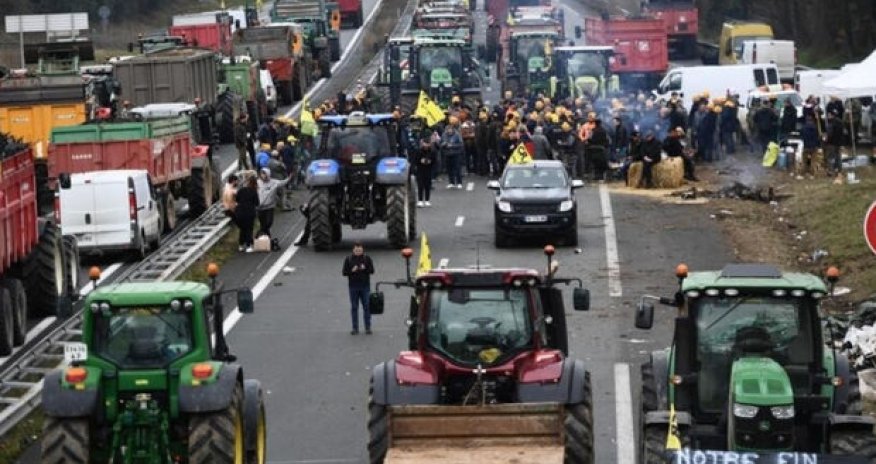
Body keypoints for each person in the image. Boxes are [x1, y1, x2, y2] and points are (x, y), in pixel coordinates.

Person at [342, 242, 374, 335]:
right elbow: (344, 272)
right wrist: (352, 270)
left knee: (367, 307)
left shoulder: (367, 258)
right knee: (354, 307)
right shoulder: (348, 259)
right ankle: (355, 328)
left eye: (360, 250)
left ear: (362, 250)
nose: (358, 252)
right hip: (353, 287)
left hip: (365, 286)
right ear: (353, 250)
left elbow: (372, 270)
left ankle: (368, 327)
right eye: (356, 250)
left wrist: (365, 268)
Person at [256, 167, 289, 239]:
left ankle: (259, 234)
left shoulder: (274, 182)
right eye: (262, 174)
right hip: (260, 208)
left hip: (269, 207)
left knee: (269, 223)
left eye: (264, 174)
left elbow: (283, 182)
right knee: (263, 224)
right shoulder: (257, 182)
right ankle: (267, 239)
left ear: (268, 174)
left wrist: (290, 177)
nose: (263, 176)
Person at [234, 175, 259, 252]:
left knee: (242, 229)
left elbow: (237, 200)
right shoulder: (254, 191)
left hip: (239, 212)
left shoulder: (241, 190)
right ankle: (248, 246)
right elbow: (257, 203)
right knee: (249, 229)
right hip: (249, 212)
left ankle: (241, 245)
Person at [415, 128, 437, 206]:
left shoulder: (432, 151)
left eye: (428, 144)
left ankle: (427, 200)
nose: (426, 146)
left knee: (427, 185)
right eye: (425, 144)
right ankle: (420, 200)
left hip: (428, 169)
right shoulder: (418, 151)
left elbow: (435, 161)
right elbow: (415, 160)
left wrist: (430, 161)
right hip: (420, 169)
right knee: (420, 185)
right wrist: (420, 161)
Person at [440, 123, 464, 189]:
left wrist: (452, 145)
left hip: (456, 153)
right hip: (447, 154)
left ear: (453, 129)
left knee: (457, 168)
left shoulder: (457, 135)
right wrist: (443, 144)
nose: (449, 131)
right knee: (449, 169)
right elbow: (440, 143)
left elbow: (461, 144)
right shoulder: (444, 135)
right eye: (448, 130)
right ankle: (451, 182)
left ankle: (459, 182)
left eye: (450, 129)